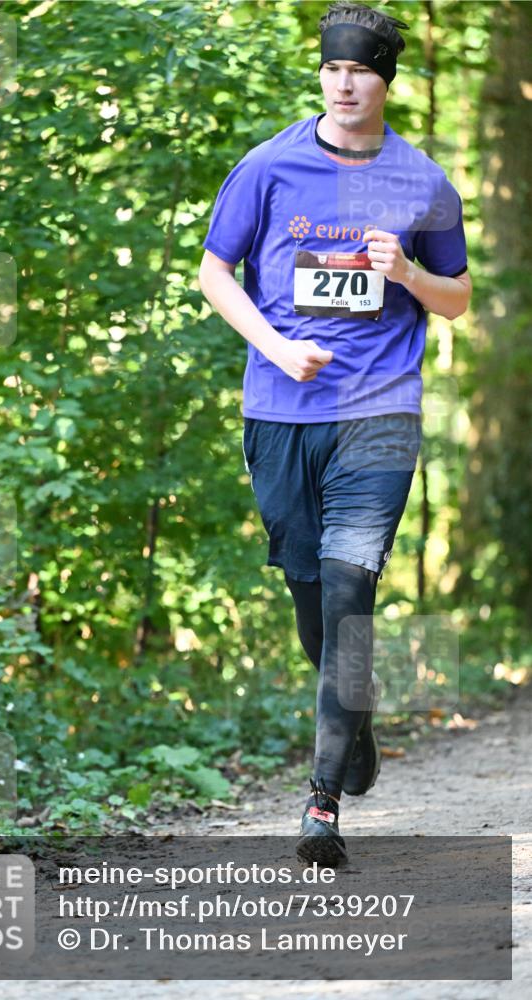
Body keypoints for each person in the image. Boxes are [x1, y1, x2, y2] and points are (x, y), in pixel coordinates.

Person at [198, 1, 471, 866]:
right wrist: (277, 347)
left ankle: (320, 805)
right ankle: (353, 719)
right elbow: (213, 272)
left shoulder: (422, 181)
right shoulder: (267, 166)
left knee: (351, 588)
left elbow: (457, 297)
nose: (343, 84)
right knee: (311, 596)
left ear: (385, 80)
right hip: (280, 412)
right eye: (331, 69)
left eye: (359, 71)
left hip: (379, 412)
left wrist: (409, 274)